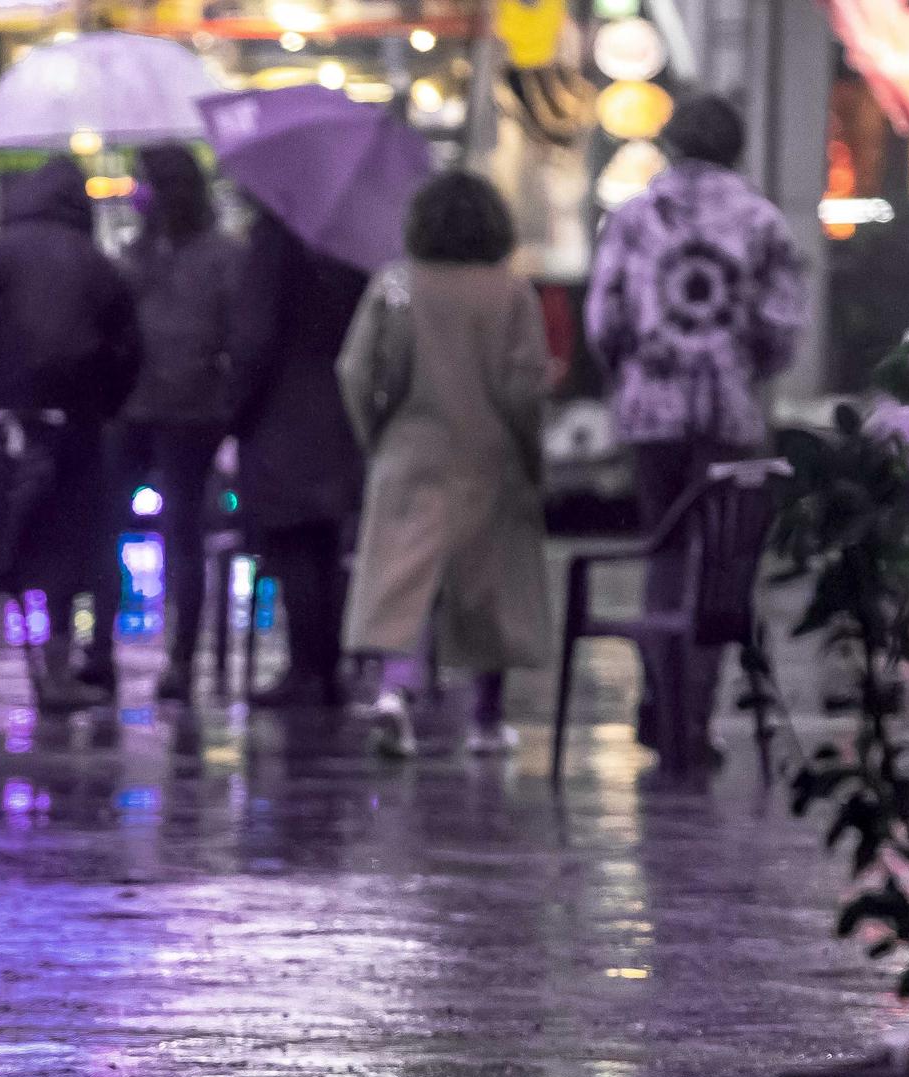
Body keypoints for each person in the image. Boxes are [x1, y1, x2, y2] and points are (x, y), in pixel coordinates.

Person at [585, 93, 807, 765]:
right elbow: (783, 331)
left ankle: (661, 701)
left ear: (672, 143)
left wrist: (635, 371)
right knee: (720, 563)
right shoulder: (765, 223)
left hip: (651, 416)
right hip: (730, 416)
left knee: (665, 553)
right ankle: (697, 718)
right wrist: (741, 365)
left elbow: (604, 322)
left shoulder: (632, 218)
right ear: (737, 146)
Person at [338, 170, 552, 757]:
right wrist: (531, 453)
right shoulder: (511, 293)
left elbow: (357, 370)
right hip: (490, 455)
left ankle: (393, 694)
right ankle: (486, 718)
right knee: (490, 590)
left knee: (404, 581)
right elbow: (527, 386)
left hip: (409, 453)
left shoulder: (396, 284)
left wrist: (375, 436)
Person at [0, 157, 141, 741]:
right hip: (72, 430)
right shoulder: (98, 264)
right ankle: (54, 675)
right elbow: (128, 350)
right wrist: (100, 409)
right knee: (62, 558)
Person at [80, 144, 240, 704]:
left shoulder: (217, 258)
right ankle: (101, 648)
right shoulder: (141, 256)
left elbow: (231, 333)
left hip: (188, 407)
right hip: (138, 403)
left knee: (181, 532)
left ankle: (178, 658)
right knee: (112, 526)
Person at [227, 203, 371, 708]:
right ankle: (327, 669)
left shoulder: (276, 237)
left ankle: (306, 669)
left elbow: (254, 336)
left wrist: (234, 406)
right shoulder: (351, 240)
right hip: (337, 408)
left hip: (283, 414)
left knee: (291, 546)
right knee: (327, 547)